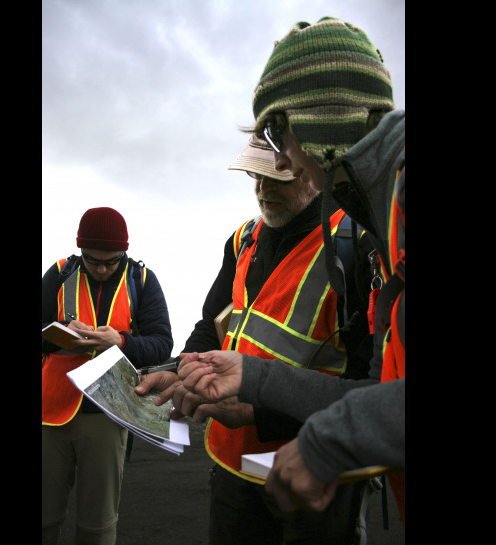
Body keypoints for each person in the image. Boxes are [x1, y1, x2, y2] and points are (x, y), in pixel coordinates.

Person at [178, 16, 405, 525]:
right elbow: (380, 391)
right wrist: (251, 376)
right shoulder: (382, 211)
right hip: (237, 461)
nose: (284, 166)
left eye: (279, 137)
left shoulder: (380, 221)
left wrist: (328, 438)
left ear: (316, 126)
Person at [137, 134, 376, 545]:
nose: (263, 190)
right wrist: (177, 371)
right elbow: (210, 326)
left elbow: (369, 391)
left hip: (315, 476)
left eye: (276, 177)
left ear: (311, 171)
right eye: (255, 175)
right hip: (231, 467)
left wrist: (256, 413)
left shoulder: (357, 245)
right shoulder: (242, 239)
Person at [42, 206, 173, 545]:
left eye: (111, 261)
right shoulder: (57, 274)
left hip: (108, 414)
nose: (102, 269)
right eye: (93, 260)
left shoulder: (142, 281)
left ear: (124, 251)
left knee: (97, 527)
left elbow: (162, 344)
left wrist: (121, 341)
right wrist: (58, 334)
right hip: (51, 413)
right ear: (80, 249)